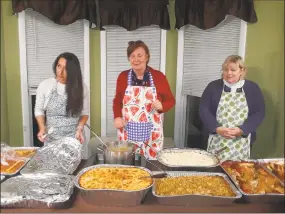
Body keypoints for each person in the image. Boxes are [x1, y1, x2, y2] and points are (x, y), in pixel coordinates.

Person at [113, 40, 175, 160]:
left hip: (152, 133)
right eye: (132, 56)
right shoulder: (123, 77)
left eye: (139, 55)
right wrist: (117, 117)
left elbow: (170, 101)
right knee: (128, 164)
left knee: (152, 165)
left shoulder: (158, 77)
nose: (136, 59)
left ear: (147, 57)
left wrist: (162, 106)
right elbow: (117, 101)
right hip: (127, 130)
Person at [199, 55, 265, 161]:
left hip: (241, 141)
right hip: (217, 139)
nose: (229, 73)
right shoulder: (213, 86)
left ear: (242, 70)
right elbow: (204, 109)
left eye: (233, 70)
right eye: (226, 69)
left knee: (239, 170)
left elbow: (259, 113)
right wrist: (216, 128)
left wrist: (243, 129)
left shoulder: (253, 88)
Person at [35, 52, 89, 145]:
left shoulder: (81, 87)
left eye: (66, 69)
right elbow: (39, 110)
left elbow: (85, 113)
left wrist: (80, 128)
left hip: (74, 138)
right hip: (52, 138)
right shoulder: (46, 85)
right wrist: (42, 127)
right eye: (59, 66)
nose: (60, 72)